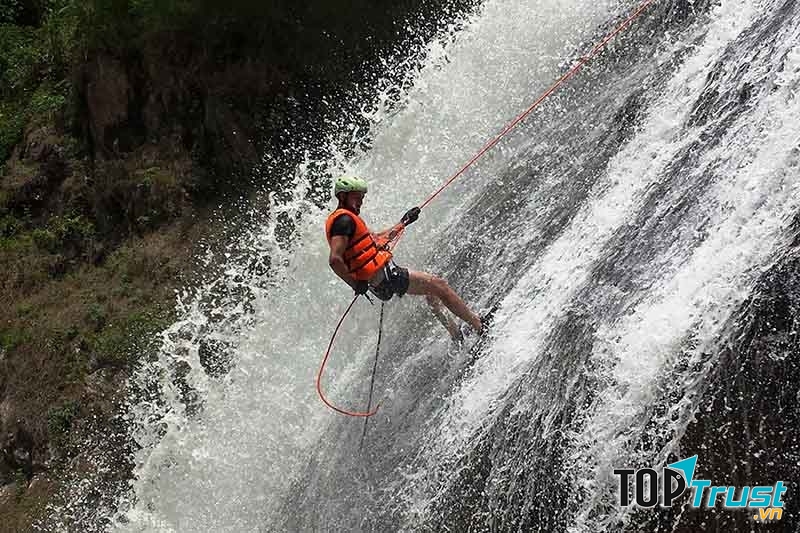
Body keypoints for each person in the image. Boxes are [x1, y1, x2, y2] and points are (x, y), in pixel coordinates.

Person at [325, 175, 483, 341]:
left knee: (433, 292)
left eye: (362, 198)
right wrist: (355, 284)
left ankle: (456, 336)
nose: (360, 202)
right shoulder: (343, 221)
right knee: (439, 285)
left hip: (381, 279)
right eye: (357, 197)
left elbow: (377, 241)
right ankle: (479, 326)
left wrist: (403, 222)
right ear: (343, 196)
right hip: (385, 277)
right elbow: (334, 260)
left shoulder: (348, 219)